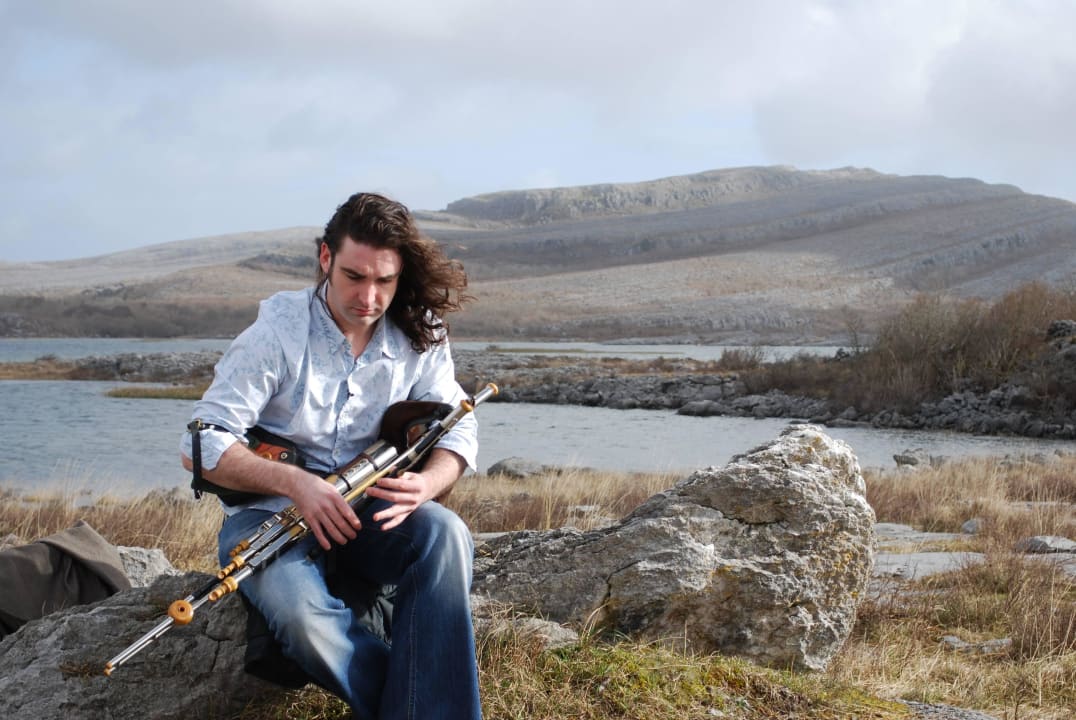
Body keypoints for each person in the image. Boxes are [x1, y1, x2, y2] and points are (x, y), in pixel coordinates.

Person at [179, 192, 481, 720]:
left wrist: (429, 483)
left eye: (384, 281)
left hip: (368, 507)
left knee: (445, 533)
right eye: (354, 276)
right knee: (301, 620)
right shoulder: (275, 333)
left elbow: (459, 421)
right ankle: (418, 707)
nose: (369, 297)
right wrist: (298, 484)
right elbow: (200, 443)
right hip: (268, 515)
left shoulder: (421, 331)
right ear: (325, 259)